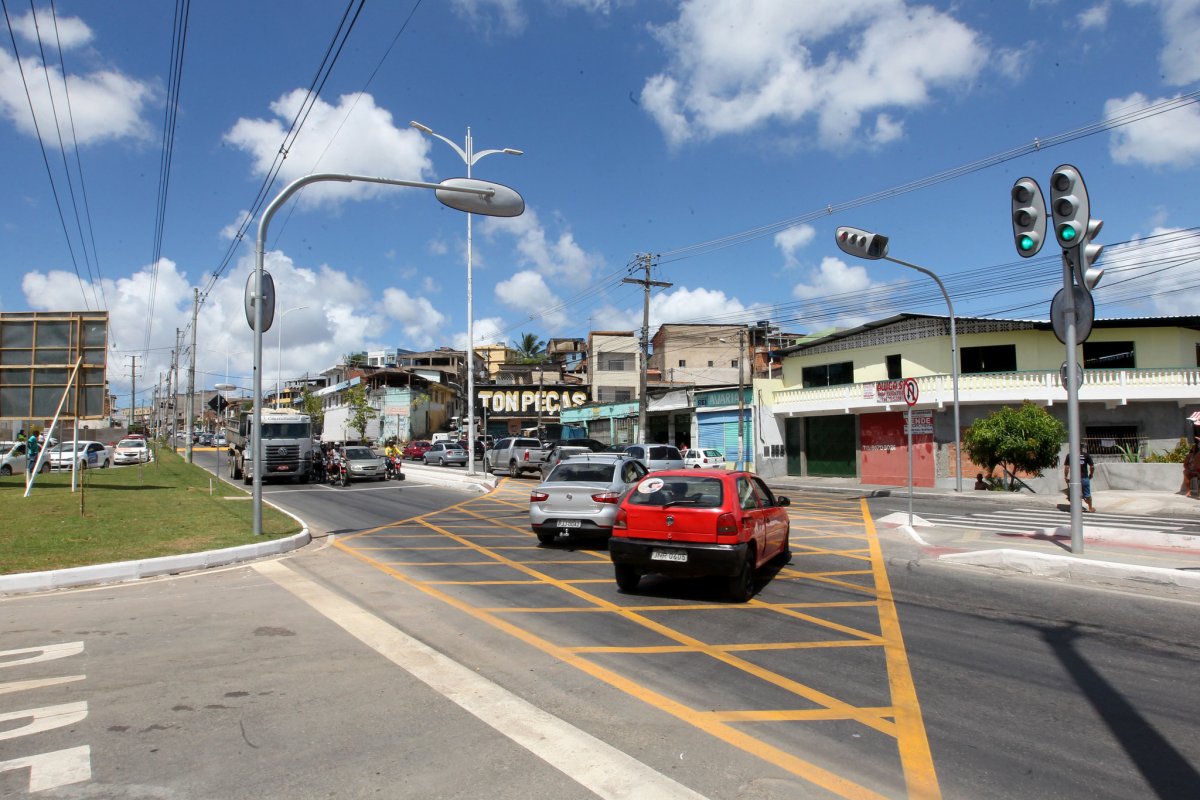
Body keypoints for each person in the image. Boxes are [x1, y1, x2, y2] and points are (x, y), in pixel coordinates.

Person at [1063, 445, 1096, 512]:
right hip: (1084, 477)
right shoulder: (1086, 455)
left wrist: (1066, 476)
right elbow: (1092, 466)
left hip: (1074, 479)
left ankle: (1074, 508)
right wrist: (1091, 474)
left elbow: (1067, 467)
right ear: (1081, 448)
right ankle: (1090, 508)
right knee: (1087, 494)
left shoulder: (1069, 455)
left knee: (1073, 493)